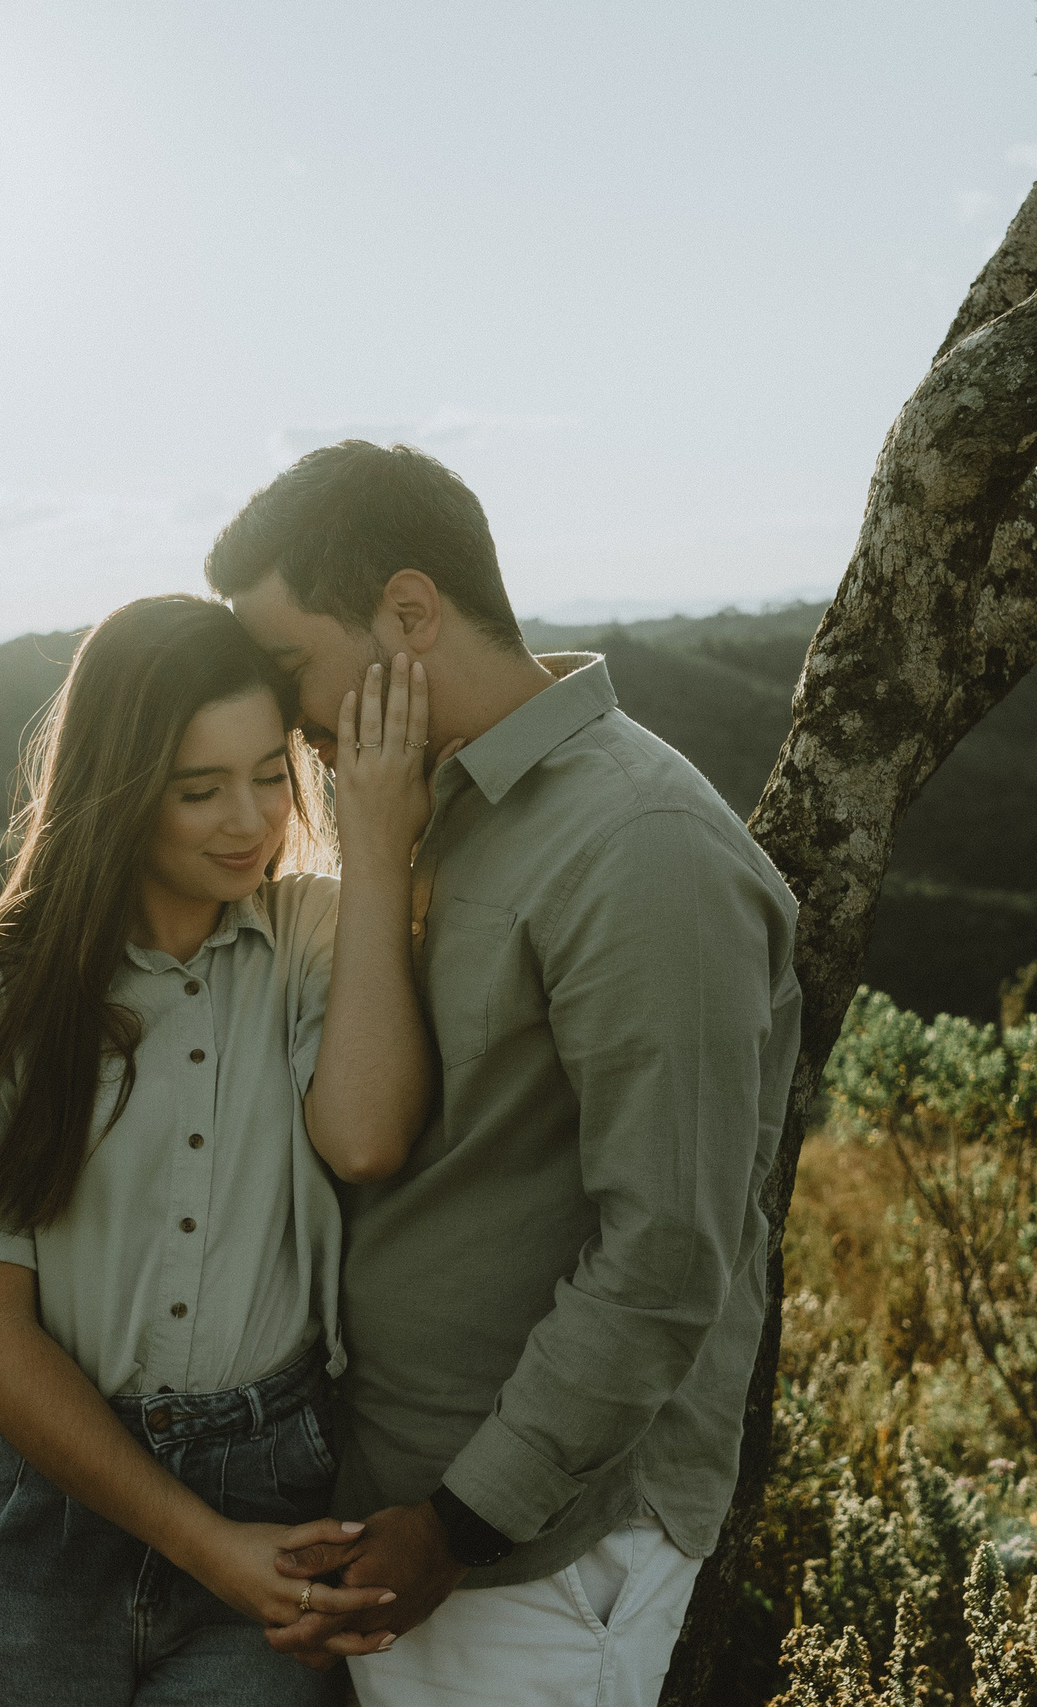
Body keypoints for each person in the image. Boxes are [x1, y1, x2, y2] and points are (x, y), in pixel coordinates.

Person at [209, 442, 805, 1707]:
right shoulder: (425, 809)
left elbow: (666, 1254)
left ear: (409, 614)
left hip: (534, 1550)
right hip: (401, 1507)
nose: (284, 717)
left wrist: (462, 1521)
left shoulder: (640, 848)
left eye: (288, 669)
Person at [0, 593, 439, 1705]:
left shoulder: (313, 936)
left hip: (275, 1490)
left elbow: (365, 1138)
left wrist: (373, 841)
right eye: (197, 789)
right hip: (39, 1505)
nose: (250, 821)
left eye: (272, 774)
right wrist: (200, 1543)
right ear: (120, 790)